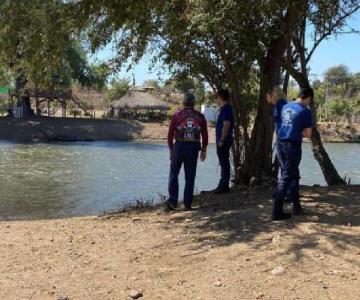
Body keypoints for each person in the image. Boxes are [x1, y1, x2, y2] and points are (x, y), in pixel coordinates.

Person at [273, 88, 314, 221]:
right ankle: (277, 212)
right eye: (310, 101)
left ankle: (297, 207)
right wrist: (298, 131)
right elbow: (308, 135)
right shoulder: (305, 111)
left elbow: (281, 125)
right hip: (292, 146)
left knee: (293, 174)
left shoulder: (286, 106)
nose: (309, 103)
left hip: (280, 143)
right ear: (308, 98)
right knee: (286, 177)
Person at [166, 93, 208, 211]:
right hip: (193, 148)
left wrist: (170, 149)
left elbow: (170, 135)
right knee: (190, 176)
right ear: (193, 103)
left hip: (179, 147)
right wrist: (203, 150)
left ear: (183, 103)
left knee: (174, 174)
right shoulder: (200, 116)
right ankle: (187, 204)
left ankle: (173, 202)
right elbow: (205, 135)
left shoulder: (176, 115)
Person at [213, 89, 234, 194]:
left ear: (221, 97)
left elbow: (226, 124)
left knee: (224, 162)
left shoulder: (226, 109)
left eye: (217, 97)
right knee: (223, 162)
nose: (216, 100)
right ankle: (223, 184)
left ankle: (224, 185)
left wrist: (222, 139)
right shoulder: (225, 109)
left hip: (224, 140)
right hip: (223, 139)